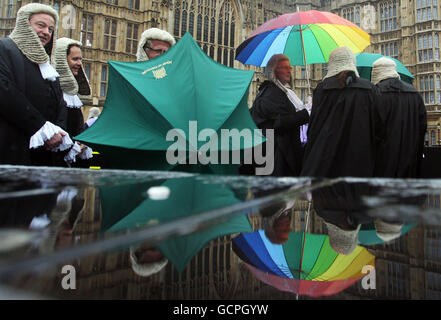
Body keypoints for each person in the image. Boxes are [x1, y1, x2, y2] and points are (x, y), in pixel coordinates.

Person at [0, 3, 73, 166]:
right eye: (41, 25)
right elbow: (5, 92)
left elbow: (59, 102)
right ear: (25, 24)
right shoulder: (4, 48)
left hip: (45, 155)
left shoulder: (47, 65)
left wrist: (57, 132)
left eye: (51, 29)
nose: (46, 32)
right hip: (13, 151)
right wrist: (40, 126)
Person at [300, 47, 383, 178]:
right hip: (360, 163)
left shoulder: (322, 89)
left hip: (328, 164)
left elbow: (314, 129)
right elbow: (379, 130)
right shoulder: (370, 89)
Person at [249, 54, 310, 177]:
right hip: (276, 156)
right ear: (274, 70)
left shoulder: (281, 91)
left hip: (279, 154)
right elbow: (279, 123)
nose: (289, 71)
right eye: (284, 67)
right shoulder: (271, 92)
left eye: (290, 68)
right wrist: (306, 113)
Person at [371, 57, 427, 178]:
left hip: (383, 170)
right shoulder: (415, 94)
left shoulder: (375, 94)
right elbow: (422, 129)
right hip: (410, 168)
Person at [52, 37, 93, 164]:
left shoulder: (73, 97)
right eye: (75, 59)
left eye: (80, 59)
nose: (79, 63)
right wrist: (72, 148)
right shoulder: (53, 91)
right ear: (62, 60)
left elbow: (78, 128)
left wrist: (82, 144)